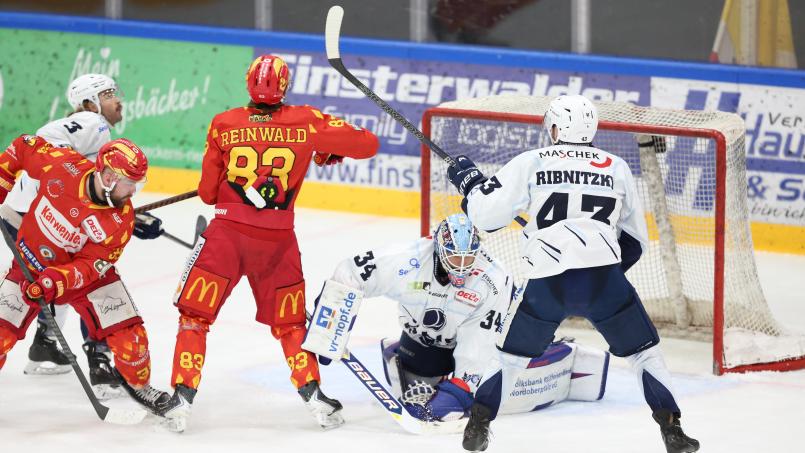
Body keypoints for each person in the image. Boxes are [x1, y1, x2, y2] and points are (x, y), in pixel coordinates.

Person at [446, 94, 700, 453]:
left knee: (510, 358)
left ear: (554, 127)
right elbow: (635, 242)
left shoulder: (532, 161)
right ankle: (673, 431)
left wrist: (470, 184)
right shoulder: (616, 166)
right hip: (604, 281)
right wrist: (602, 275)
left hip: (548, 283)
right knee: (644, 353)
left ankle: (479, 423)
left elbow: (486, 217)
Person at [158, 54, 379, 432]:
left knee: (195, 319)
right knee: (291, 325)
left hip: (226, 238)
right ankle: (316, 398)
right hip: (277, 243)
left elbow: (209, 194)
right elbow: (368, 144)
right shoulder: (308, 120)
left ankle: (180, 399)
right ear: (284, 87)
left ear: (247, 83)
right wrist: (326, 148)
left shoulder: (223, 124)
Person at [304, 213, 610, 426]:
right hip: (429, 345)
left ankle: (555, 351)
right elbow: (350, 273)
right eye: (455, 259)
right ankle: (407, 357)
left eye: (468, 259)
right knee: (421, 380)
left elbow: (483, 343)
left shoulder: (492, 280)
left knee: (496, 395)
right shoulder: (406, 260)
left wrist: (462, 388)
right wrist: (329, 322)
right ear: (438, 248)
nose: (462, 267)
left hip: (492, 338)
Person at [0, 73, 164, 399]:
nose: (117, 100)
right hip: (39, 217)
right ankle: (99, 362)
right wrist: (61, 170)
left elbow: (102, 198)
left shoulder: (95, 157)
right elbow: (41, 143)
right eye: (107, 94)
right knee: (67, 278)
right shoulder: (94, 123)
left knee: (66, 280)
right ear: (89, 102)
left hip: (28, 213)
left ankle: (46, 342)